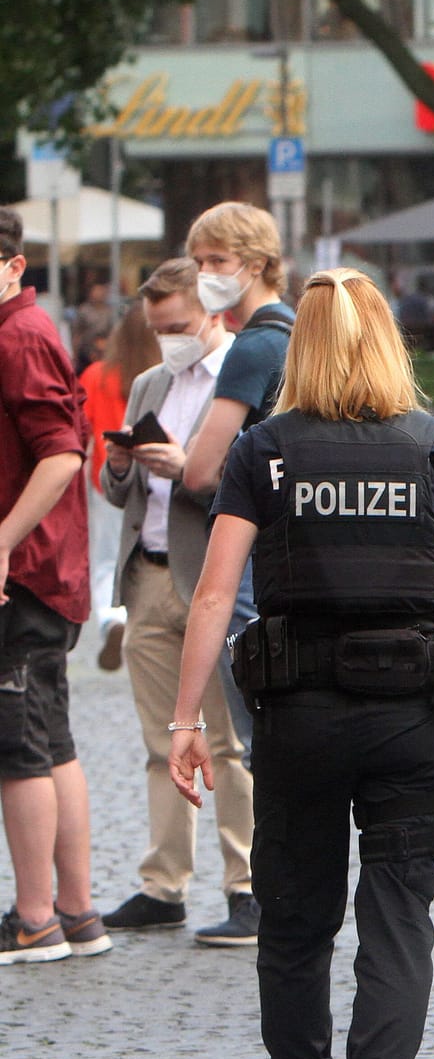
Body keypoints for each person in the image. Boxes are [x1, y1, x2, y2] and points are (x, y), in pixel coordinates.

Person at [167, 267, 434, 1059]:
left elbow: (210, 594)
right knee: (398, 920)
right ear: (388, 344)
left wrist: (185, 719)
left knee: (296, 920)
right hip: (414, 720)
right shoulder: (433, 446)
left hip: (299, 720)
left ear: (302, 349)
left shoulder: (266, 450)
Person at [97, 259, 259, 945]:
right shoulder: (148, 384)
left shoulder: (241, 381)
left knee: (225, 743)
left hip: (211, 584)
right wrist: (125, 465)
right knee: (157, 740)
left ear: (212, 313)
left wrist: (187, 472)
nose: (169, 339)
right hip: (150, 576)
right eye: (158, 329)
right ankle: (163, 884)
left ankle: (247, 884)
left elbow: (245, 490)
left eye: (180, 327)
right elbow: (115, 493)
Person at [0, 207, 105, 965]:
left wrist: (1, 542)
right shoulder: (23, 332)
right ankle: (74, 913)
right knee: (51, 738)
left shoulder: (18, 335)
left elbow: (62, 455)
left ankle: (34, 918)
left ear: (13, 265)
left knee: (18, 748)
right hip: (45, 569)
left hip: (27, 572)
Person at [181, 201, 296, 764]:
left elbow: (199, 469)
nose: (206, 273)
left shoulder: (252, 346)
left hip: (247, 552)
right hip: (299, 546)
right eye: (198, 261)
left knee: (258, 738)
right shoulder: (302, 331)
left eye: (217, 259)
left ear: (256, 264)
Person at [78, 306, 159, 671]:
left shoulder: (96, 376)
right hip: (154, 478)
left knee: (108, 557)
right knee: (150, 553)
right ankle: (144, 620)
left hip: (108, 481)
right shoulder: (162, 377)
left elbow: (80, 434)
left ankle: (111, 617)